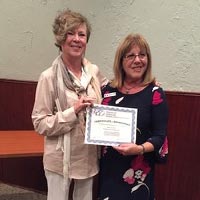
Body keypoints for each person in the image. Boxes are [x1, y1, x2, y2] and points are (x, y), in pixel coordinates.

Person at [32, 9, 108, 200]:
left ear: (86, 40)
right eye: (70, 33)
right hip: (60, 159)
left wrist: (145, 85)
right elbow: (40, 123)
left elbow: (112, 93)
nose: (76, 39)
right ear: (60, 39)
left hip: (88, 155)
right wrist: (73, 111)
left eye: (81, 34)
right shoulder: (48, 77)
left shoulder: (93, 71)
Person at [98, 33, 168, 200]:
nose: (138, 60)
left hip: (138, 173)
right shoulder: (107, 91)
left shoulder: (155, 93)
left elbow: (160, 136)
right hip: (109, 170)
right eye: (131, 56)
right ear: (121, 61)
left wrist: (139, 149)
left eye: (142, 55)